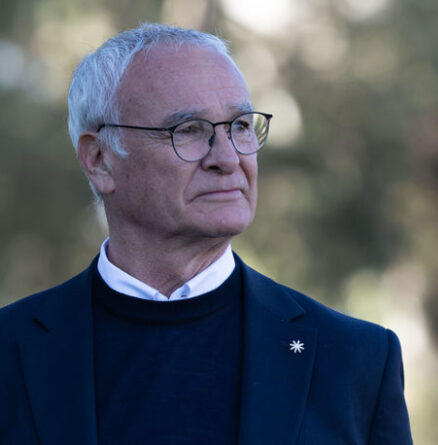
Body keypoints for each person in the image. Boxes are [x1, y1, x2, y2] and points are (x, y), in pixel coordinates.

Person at [0, 23, 412, 445]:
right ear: (100, 159)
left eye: (240, 126)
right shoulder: (9, 353)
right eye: (190, 130)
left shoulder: (354, 361)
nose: (229, 158)